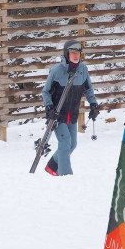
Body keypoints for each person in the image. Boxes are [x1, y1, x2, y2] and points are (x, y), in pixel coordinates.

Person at [41, 40, 100, 176]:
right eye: (72, 52)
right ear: (66, 54)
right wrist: (49, 108)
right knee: (65, 143)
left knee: (72, 145)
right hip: (57, 115)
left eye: (78, 52)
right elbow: (45, 92)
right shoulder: (56, 71)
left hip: (72, 114)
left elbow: (88, 89)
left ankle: (52, 166)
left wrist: (93, 104)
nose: (75, 55)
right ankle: (66, 176)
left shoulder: (83, 69)